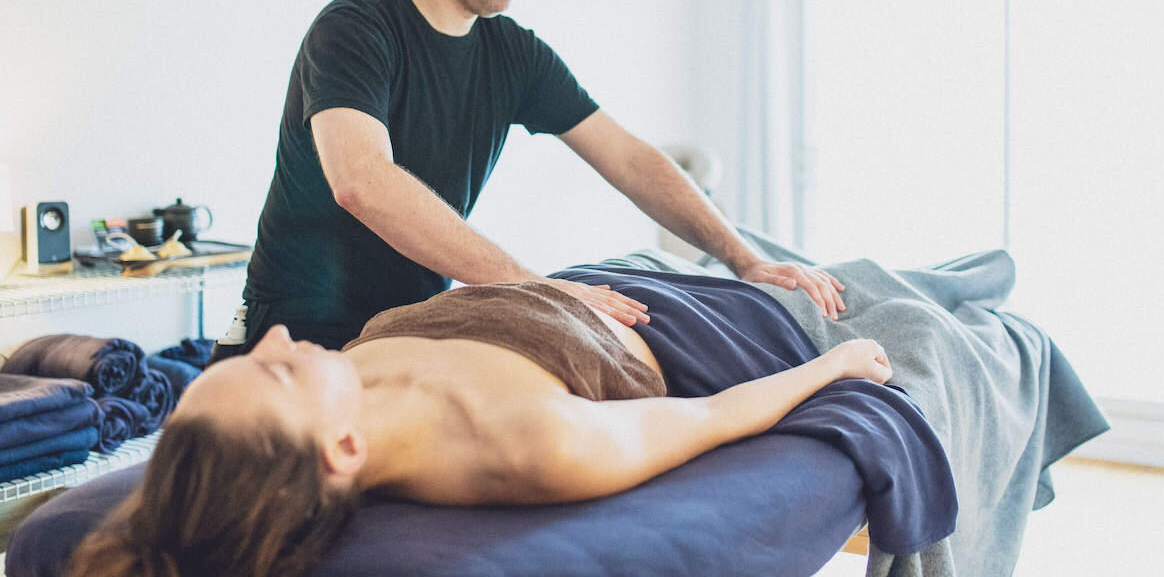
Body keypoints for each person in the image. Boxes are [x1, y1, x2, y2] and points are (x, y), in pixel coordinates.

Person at [228, 0, 846, 359]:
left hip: (408, 329)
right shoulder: (356, 28)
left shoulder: (514, 55)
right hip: (293, 335)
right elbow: (363, 180)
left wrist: (743, 258)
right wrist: (534, 288)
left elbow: (629, 158)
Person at [70, 275, 899, 577]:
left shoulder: (337, 394)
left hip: (580, 283)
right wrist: (837, 366)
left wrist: (543, 285)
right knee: (876, 297)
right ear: (344, 449)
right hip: (683, 324)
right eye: (279, 369)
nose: (280, 337)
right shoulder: (533, 444)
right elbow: (712, 415)